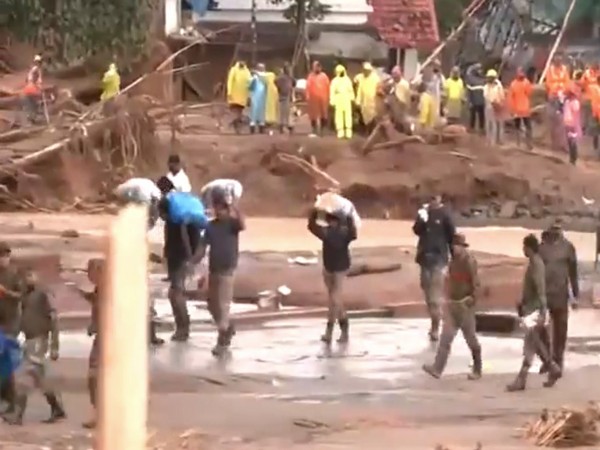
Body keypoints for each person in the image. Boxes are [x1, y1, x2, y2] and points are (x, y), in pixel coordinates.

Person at [3, 268, 65, 425]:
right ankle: (57, 408)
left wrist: (54, 346)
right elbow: (22, 316)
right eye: (26, 276)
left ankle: (18, 415)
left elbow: (54, 319)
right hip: (30, 340)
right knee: (39, 378)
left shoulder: (43, 294)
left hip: (39, 340)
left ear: (37, 277)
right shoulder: (26, 296)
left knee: (24, 376)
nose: (28, 279)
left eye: (31, 275)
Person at [422, 233, 482, 380]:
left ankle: (478, 368)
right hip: (453, 304)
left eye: (457, 246)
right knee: (445, 339)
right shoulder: (452, 262)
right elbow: (449, 281)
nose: (454, 248)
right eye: (453, 245)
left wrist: (472, 299)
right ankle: (437, 369)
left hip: (465, 306)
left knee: (471, 339)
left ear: (462, 247)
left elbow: (476, 284)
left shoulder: (469, 262)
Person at [506, 234, 561, 392]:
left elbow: (540, 289)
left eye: (524, 247)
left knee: (531, 343)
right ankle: (552, 368)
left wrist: (542, 311)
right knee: (536, 343)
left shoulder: (536, 264)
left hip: (535, 310)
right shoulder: (535, 263)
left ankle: (522, 379)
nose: (523, 249)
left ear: (529, 247)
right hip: (532, 308)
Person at [197, 200, 245, 356]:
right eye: (216, 208)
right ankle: (227, 328)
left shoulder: (232, 224)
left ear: (227, 209)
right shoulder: (210, 226)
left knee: (223, 304)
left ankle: (222, 341)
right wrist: (195, 264)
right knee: (212, 304)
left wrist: (234, 206)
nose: (218, 211)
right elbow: (203, 248)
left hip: (228, 268)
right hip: (214, 268)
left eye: (222, 208)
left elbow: (242, 224)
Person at [307, 208, 357, 344]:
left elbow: (311, 226)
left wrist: (314, 213)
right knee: (334, 300)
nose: (331, 223)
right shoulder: (340, 232)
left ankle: (333, 332)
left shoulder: (329, 233)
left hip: (337, 269)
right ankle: (340, 332)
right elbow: (312, 227)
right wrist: (349, 218)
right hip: (332, 267)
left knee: (334, 300)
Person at [159, 197, 203, 342]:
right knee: (175, 293)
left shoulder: (179, 222)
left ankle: (183, 329)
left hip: (179, 259)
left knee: (176, 294)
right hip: (177, 259)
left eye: (161, 213)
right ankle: (182, 327)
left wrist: (190, 261)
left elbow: (185, 242)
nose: (160, 217)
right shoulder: (177, 220)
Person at [412, 195, 455, 342]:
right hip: (425, 258)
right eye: (429, 198)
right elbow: (417, 231)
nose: (431, 201)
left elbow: (452, 236)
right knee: (426, 290)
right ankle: (435, 320)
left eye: (434, 198)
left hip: (439, 259)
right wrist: (421, 219)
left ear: (439, 198)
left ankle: (436, 327)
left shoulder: (445, 215)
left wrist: (454, 257)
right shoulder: (424, 213)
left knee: (434, 295)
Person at [538, 220, 578, 375]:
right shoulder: (541, 249)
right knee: (541, 329)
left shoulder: (568, 248)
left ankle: (558, 360)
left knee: (561, 331)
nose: (557, 233)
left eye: (559, 230)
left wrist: (575, 294)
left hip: (561, 295)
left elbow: (573, 272)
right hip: (544, 295)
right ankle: (547, 360)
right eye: (554, 230)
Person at [80, 258, 103, 429]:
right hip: (101, 338)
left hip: (112, 340)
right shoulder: (99, 289)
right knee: (93, 376)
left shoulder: (115, 289)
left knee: (98, 376)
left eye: (91, 272)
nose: (89, 276)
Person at [0, 242, 23, 414]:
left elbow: (21, 296)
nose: (3, 259)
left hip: (10, 323)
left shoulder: (15, 274)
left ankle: (12, 401)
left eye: (6, 255)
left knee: (8, 363)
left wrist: (5, 292)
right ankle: (7, 399)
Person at [508, 67, 534, 149]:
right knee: (522, 127)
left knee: (524, 127)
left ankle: (526, 144)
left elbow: (529, 93)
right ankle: (522, 143)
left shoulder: (516, 84)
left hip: (523, 109)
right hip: (520, 109)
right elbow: (529, 93)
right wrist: (511, 109)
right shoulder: (524, 83)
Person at [329, 64, 354, 139]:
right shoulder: (334, 81)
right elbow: (332, 91)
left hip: (346, 98)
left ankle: (348, 131)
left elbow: (351, 90)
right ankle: (340, 131)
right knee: (338, 115)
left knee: (348, 114)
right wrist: (332, 100)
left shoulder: (347, 80)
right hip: (338, 98)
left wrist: (352, 97)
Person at [354, 62, 380, 133]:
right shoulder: (360, 77)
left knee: (373, 116)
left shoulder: (375, 77)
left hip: (372, 101)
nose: (366, 72)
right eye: (364, 70)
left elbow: (379, 86)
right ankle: (366, 130)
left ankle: (372, 131)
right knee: (364, 116)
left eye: (367, 70)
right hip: (364, 101)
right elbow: (355, 81)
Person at [306, 61, 330, 136]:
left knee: (324, 114)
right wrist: (307, 95)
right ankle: (314, 130)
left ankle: (323, 130)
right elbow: (308, 87)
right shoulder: (310, 76)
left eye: (318, 66)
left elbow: (328, 87)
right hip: (313, 99)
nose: (317, 68)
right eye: (316, 66)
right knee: (313, 114)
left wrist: (329, 97)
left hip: (323, 98)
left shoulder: (324, 76)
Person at [226, 61, 251, 133]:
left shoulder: (246, 71)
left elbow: (249, 82)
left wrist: (249, 94)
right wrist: (229, 93)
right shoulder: (233, 70)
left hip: (243, 96)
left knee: (239, 112)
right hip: (234, 95)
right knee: (235, 111)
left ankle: (237, 127)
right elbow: (230, 81)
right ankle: (236, 127)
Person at [483, 69, 505, 146]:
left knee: (495, 124)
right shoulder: (486, 87)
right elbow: (486, 96)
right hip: (489, 106)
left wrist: (498, 103)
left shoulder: (498, 86)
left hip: (497, 106)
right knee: (488, 124)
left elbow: (502, 96)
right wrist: (492, 101)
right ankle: (488, 140)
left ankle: (494, 141)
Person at [563, 86, 582, 165]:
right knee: (569, 142)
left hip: (572, 125)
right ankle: (572, 157)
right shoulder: (567, 102)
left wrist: (575, 125)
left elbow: (576, 114)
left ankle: (574, 158)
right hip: (567, 124)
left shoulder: (575, 103)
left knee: (573, 142)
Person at [275, 63, 296, 134]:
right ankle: (282, 126)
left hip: (288, 96)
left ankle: (289, 126)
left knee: (288, 112)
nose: (289, 70)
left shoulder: (289, 77)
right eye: (287, 68)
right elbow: (275, 81)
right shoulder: (281, 77)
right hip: (283, 96)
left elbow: (294, 83)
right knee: (283, 113)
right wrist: (280, 89)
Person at [22, 55, 43, 124]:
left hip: (28, 88)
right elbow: (36, 80)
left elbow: (26, 80)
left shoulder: (30, 70)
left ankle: (30, 117)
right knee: (34, 104)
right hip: (33, 89)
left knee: (30, 103)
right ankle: (32, 117)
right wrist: (38, 87)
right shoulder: (36, 70)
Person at [465, 63, 486, 133]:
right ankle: (471, 128)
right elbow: (469, 91)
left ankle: (482, 128)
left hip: (482, 101)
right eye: (478, 69)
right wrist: (469, 101)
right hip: (473, 101)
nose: (480, 71)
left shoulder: (483, 79)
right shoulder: (471, 79)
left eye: (481, 69)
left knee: (481, 116)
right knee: (472, 116)